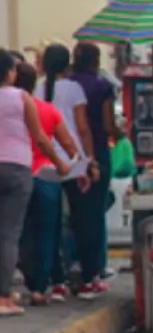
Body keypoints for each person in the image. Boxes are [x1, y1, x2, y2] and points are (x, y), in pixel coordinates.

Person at [0, 50, 66, 316]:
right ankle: (4, 297)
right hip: (17, 168)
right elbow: (39, 137)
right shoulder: (21, 97)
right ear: (10, 73)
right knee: (10, 234)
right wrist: (60, 164)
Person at [37, 45, 104, 299]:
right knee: (82, 221)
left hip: (44, 164)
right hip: (74, 163)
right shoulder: (74, 89)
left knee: (50, 226)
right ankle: (88, 279)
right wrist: (89, 160)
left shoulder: (37, 89)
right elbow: (82, 128)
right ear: (68, 65)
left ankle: (57, 282)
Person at [15, 61, 79, 306]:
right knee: (46, 234)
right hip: (45, 177)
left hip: (15, 174)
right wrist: (73, 162)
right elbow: (68, 144)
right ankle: (40, 288)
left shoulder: (7, 109)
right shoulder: (47, 110)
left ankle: (27, 278)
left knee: (16, 233)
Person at [69, 43, 120, 285]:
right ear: (96, 61)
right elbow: (109, 125)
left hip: (69, 152)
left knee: (77, 212)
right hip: (97, 150)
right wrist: (121, 133)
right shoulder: (102, 87)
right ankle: (96, 265)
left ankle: (76, 261)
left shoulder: (67, 85)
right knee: (96, 210)